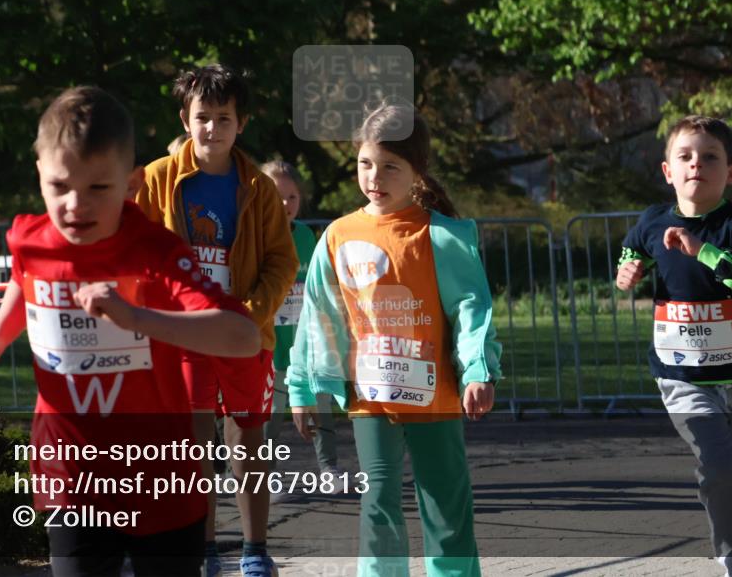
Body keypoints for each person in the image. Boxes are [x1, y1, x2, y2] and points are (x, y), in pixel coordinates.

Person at [0, 85, 261, 577]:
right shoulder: (29, 238)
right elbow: (25, 277)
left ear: (131, 183)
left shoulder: (157, 252)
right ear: (40, 175)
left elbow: (243, 337)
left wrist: (137, 318)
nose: (75, 204)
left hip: (159, 479)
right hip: (70, 475)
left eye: (98, 188)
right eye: (59, 186)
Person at [287, 103, 501, 577]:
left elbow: (472, 311)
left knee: (445, 505)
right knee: (378, 503)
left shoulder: (442, 236)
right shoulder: (338, 236)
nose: (374, 177)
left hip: (436, 397)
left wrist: (478, 371)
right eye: (365, 163)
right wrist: (301, 390)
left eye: (390, 167)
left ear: (416, 170)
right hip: (371, 400)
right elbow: (317, 318)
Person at [134, 65, 298, 577]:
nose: (212, 128)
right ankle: (201, 551)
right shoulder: (156, 178)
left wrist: (250, 315)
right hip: (182, 334)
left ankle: (255, 550)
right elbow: (133, 246)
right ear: (185, 120)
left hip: (243, 334)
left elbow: (282, 260)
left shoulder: (259, 187)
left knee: (247, 438)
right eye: (202, 117)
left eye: (224, 118)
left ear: (241, 123)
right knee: (191, 444)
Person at [615, 115, 732, 577]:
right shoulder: (652, 221)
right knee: (718, 465)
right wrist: (627, 272)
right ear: (667, 171)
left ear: (731, 172)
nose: (696, 165)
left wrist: (704, 251)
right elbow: (631, 252)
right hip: (682, 377)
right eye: (685, 157)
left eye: (710, 157)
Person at [259, 160, 341, 481]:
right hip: (271, 342)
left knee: (321, 402)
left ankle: (329, 468)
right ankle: (267, 474)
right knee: (271, 413)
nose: (285, 204)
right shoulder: (256, 237)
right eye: (276, 196)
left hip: (307, 341)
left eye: (292, 197)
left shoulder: (307, 236)